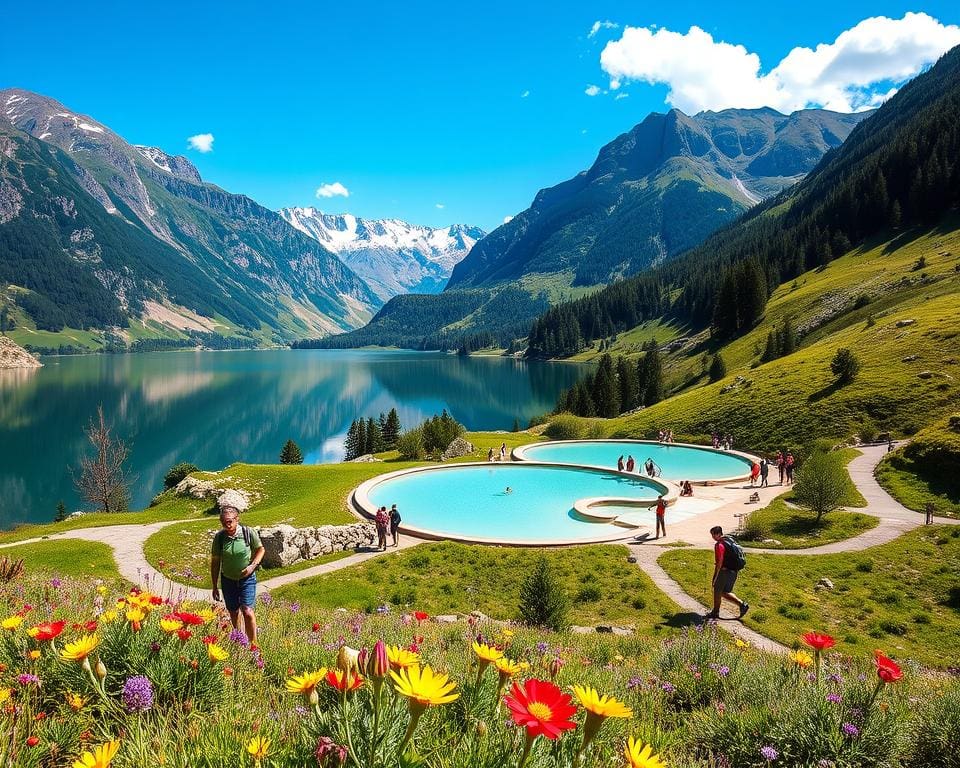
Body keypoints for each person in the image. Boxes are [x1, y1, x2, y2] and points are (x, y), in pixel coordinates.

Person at [210, 505, 265, 645]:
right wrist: (214, 586)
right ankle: (240, 642)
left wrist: (252, 566)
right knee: (233, 612)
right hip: (228, 580)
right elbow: (215, 562)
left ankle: (254, 646)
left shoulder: (247, 532)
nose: (226, 525)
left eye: (229, 521)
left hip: (247, 579)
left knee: (247, 611)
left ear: (237, 519)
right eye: (223, 522)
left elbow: (260, 549)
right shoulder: (220, 538)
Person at [706, 525, 748, 620]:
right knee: (725, 592)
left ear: (718, 534)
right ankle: (742, 604)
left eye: (713, 535)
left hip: (724, 571)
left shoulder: (719, 545)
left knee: (717, 591)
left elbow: (719, 562)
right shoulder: (728, 540)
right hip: (734, 571)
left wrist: (715, 576)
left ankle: (715, 612)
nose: (712, 537)